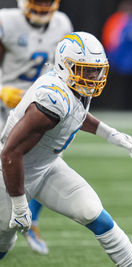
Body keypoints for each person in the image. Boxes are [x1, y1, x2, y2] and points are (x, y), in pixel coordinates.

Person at [0, 31, 132, 267]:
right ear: (65, 66)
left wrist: (109, 133)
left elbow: (74, 113)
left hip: (46, 166)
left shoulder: (70, 88)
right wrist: (19, 203)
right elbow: (10, 152)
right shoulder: (50, 101)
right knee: (5, 244)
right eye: (86, 70)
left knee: (93, 213)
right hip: (10, 175)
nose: (94, 76)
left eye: (96, 70)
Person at [0, 0, 73, 254]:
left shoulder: (62, 23)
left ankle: (32, 219)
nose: (42, 6)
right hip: (5, 108)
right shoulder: (7, 22)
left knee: (47, 163)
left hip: (43, 107)